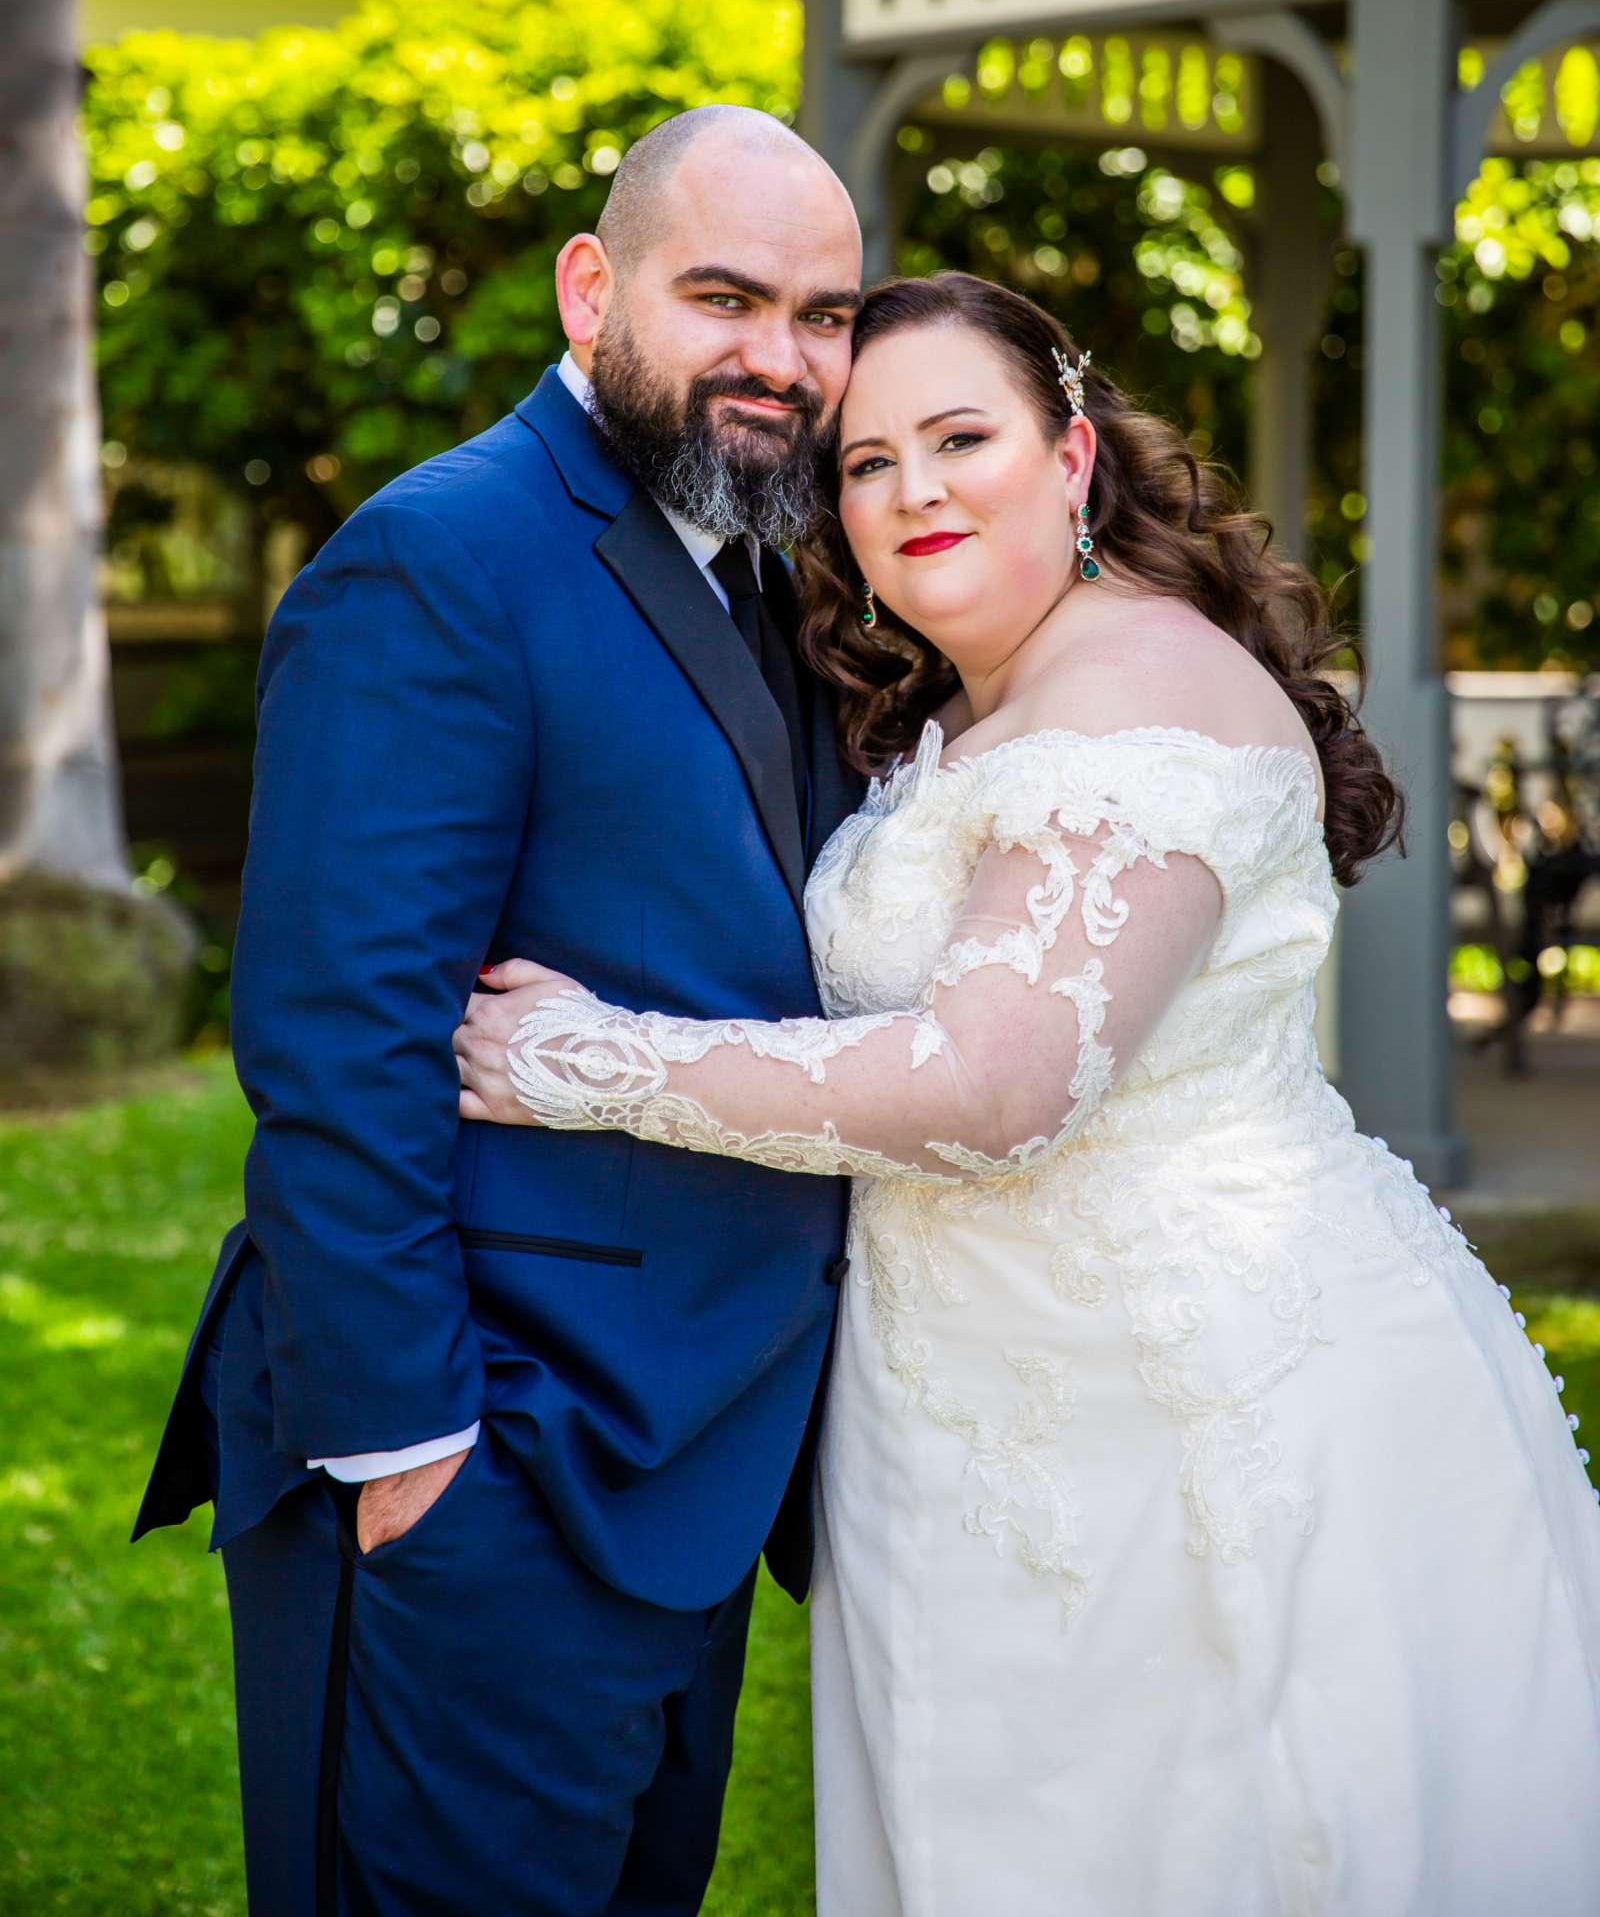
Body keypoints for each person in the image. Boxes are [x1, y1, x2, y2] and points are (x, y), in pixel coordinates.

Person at [458, 271, 1600, 1917]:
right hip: (976, 1404)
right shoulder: (968, 701)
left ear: (1073, 460)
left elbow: (994, 1083)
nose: (911, 490)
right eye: (862, 463)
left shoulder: (1142, 687)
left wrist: (583, 1060)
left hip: (1176, 1407)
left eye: (960, 437)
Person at [133, 106, 867, 1915]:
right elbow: (337, 1041)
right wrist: (416, 1465)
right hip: (498, 1464)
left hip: (691, 1463)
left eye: (826, 314)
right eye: (726, 297)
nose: (780, 357)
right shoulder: (445, 559)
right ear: (592, 286)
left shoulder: (761, 570)